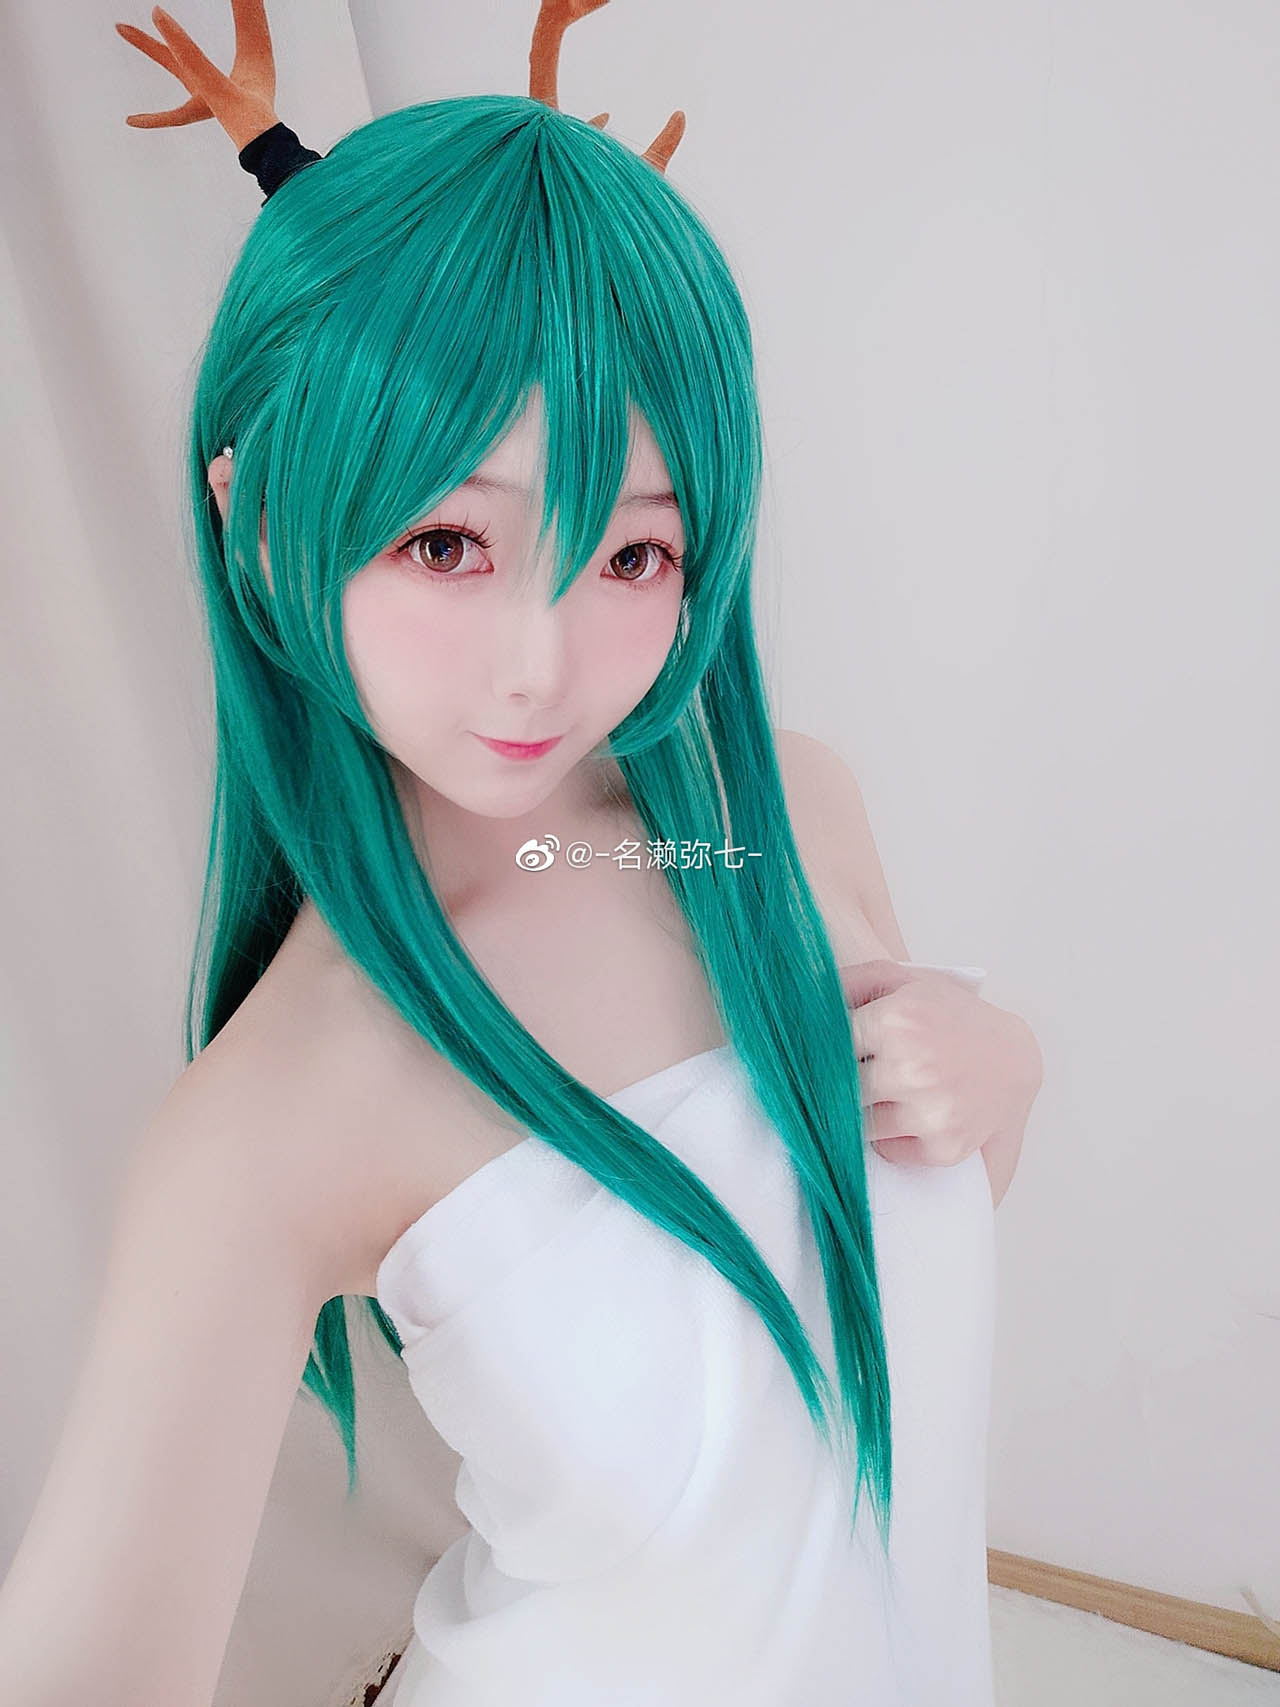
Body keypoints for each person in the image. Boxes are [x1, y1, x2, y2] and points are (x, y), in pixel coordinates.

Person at [0, 3, 1044, 1703]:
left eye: (630, 558)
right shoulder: (281, 1116)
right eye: (447, 543)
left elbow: (872, 1277)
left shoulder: (789, 816)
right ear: (256, 519)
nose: (538, 669)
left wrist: (999, 1082)